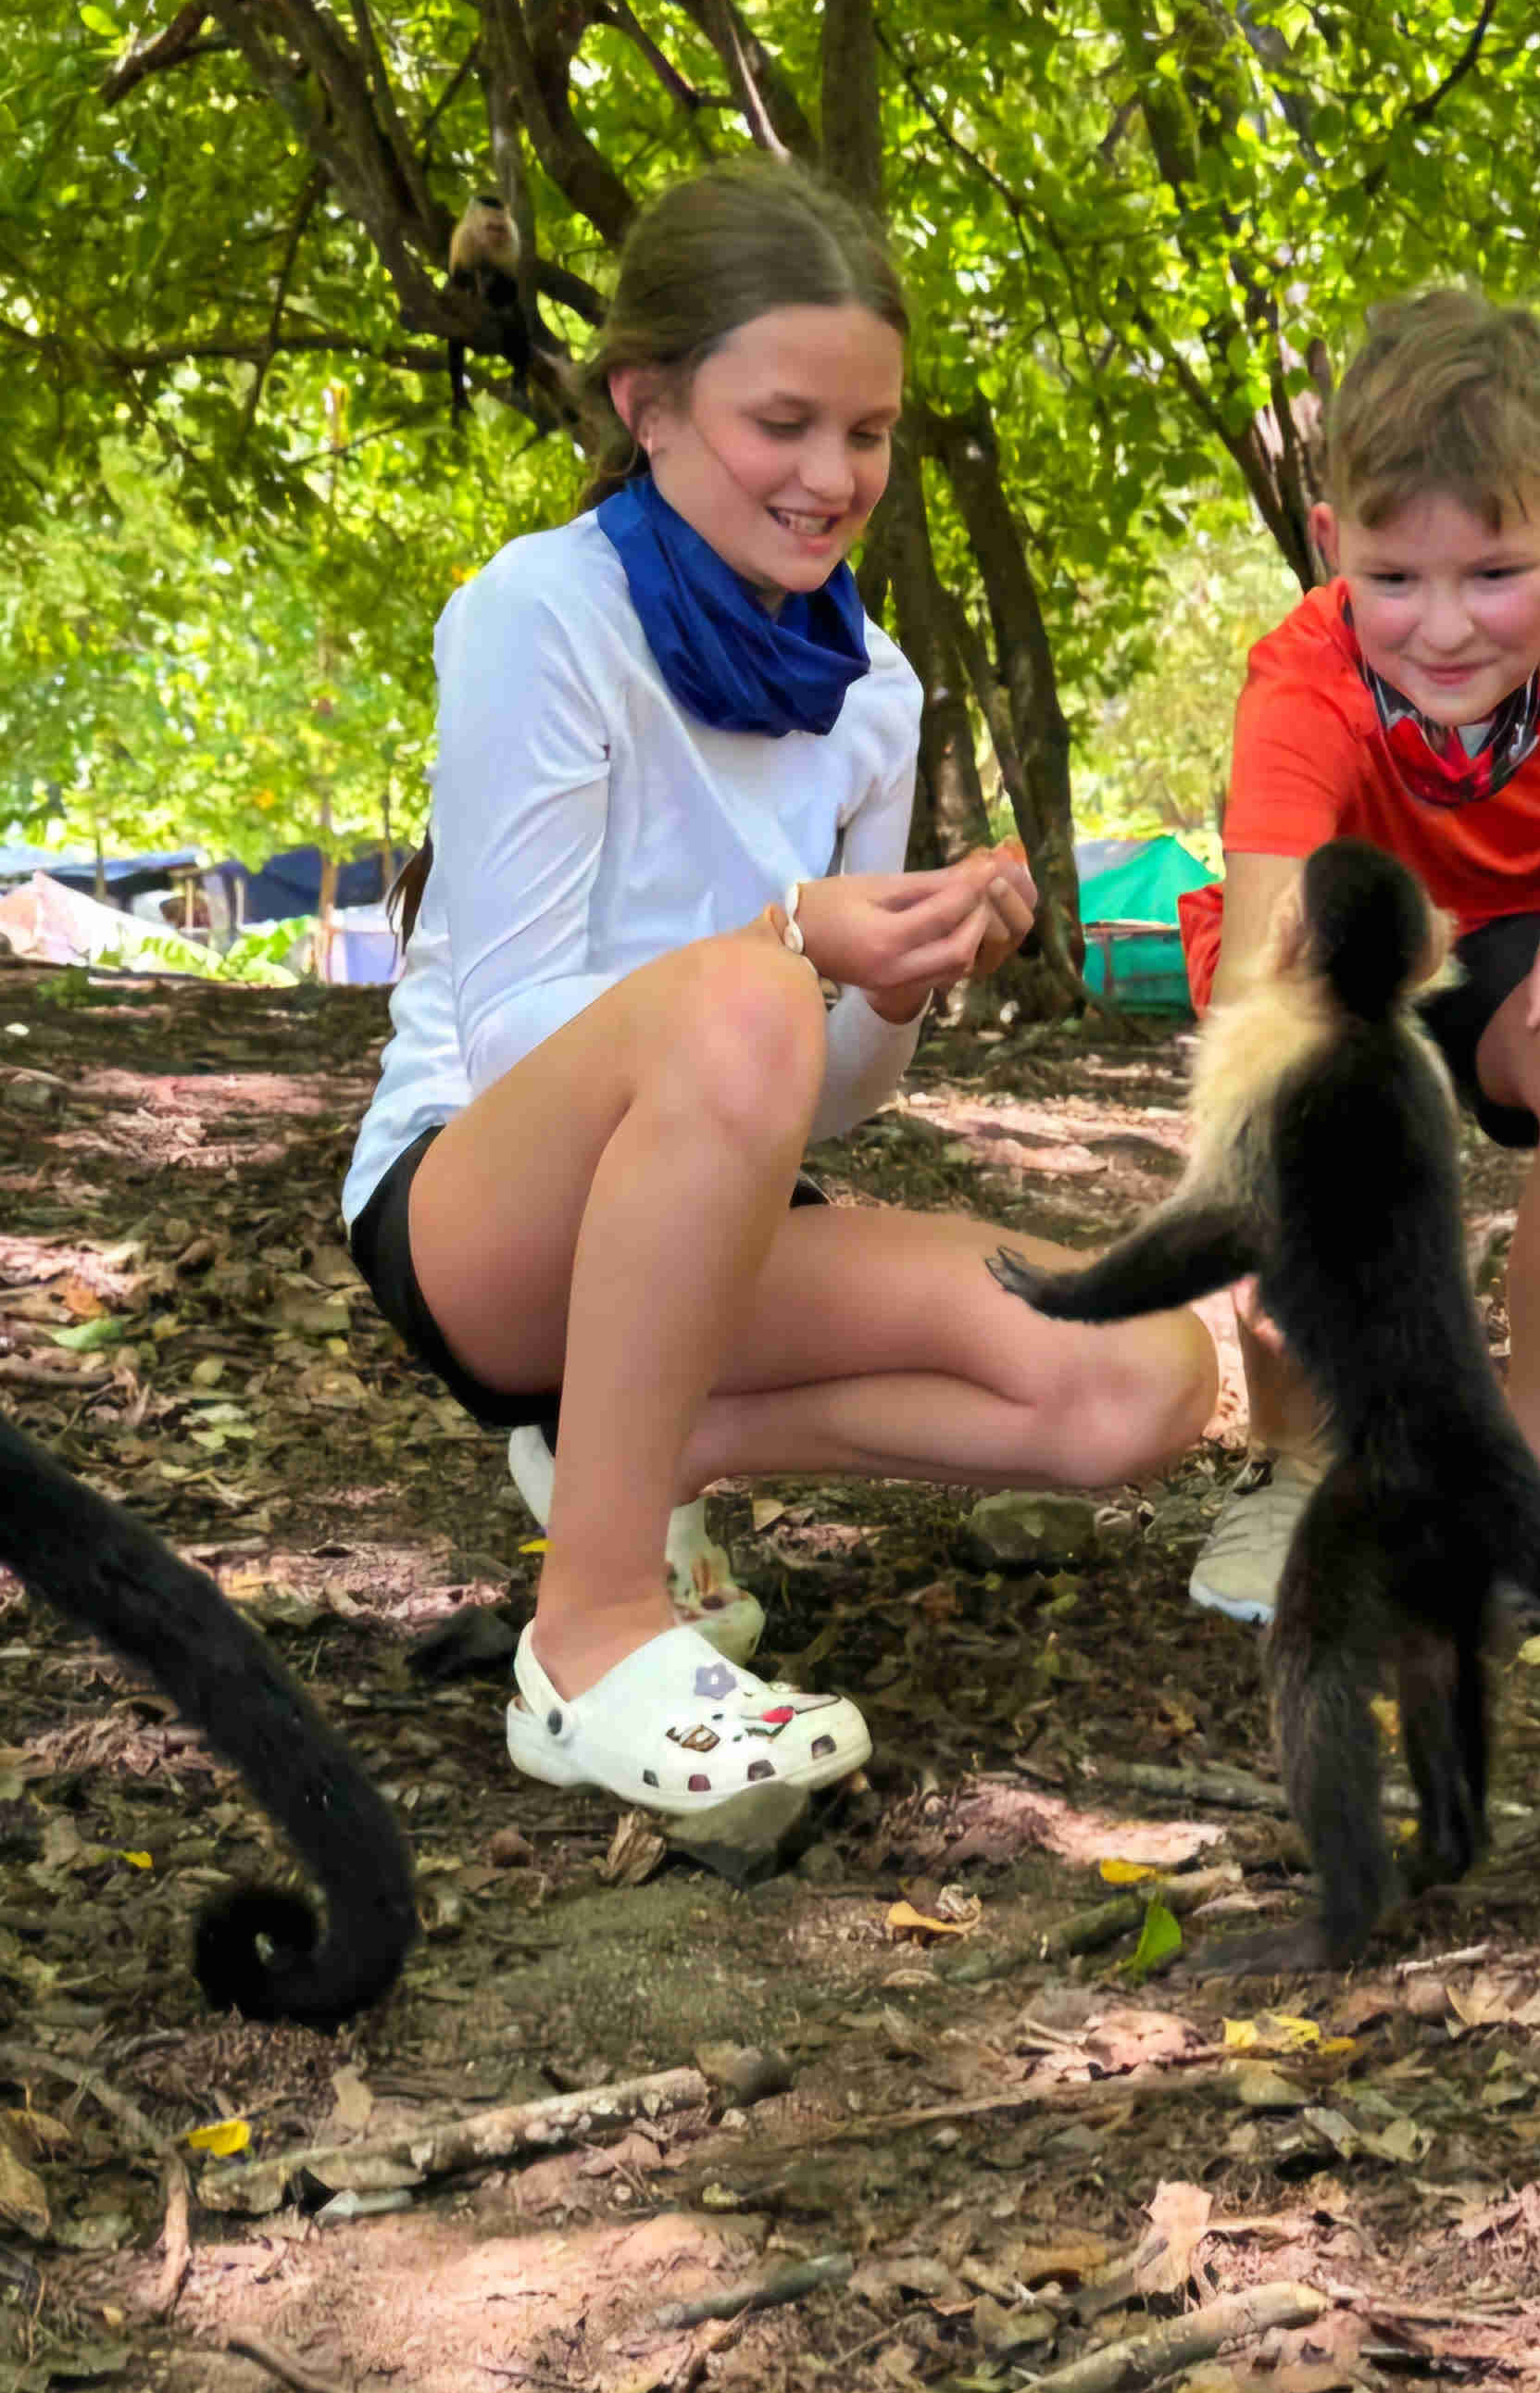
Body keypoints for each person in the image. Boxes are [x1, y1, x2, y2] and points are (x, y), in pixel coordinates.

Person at [339, 168, 1218, 1825]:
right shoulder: (541, 613)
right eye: (784, 423)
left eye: (868, 434)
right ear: (647, 406)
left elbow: (828, 1100)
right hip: (478, 1208)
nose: (832, 480)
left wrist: (902, 981)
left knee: (1135, 1377)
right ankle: (590, 1638)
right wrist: (792, 935)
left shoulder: (866, 685)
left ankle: (637, 1448)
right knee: (743, 996)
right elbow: (513, 1027)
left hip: (712, 1202)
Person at [1177, 288, 1540, 1627]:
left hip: (1519, 937)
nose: (1445, 627)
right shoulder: (1299, 687)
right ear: (1329, 544)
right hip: (1341, 953)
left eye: (1495, 574)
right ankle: (1298, 1472)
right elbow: (1264, 965)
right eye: (1394, 580)